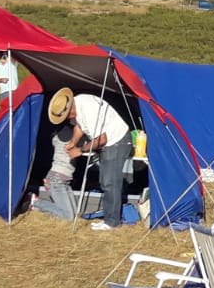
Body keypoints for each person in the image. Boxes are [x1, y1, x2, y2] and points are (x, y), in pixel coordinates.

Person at [48, 87, 135, 231]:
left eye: (67, 117)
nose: (69, 119)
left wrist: (80, 150)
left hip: (117, 141)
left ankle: (112, 222)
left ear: (70, 109)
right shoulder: (77, 105)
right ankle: (109, 218)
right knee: (105, 181)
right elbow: (79, 127)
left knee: (110, 182)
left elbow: (101, 139)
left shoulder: (88, 110)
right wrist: (73, 142)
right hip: (107, 141)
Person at [30, 124, 78, 220]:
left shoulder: (63, 130)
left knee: (75, 214)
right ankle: (35, 202)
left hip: (63, 180)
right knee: (68, 217)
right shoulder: (66, 131)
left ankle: (40, 206)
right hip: (57, 179)